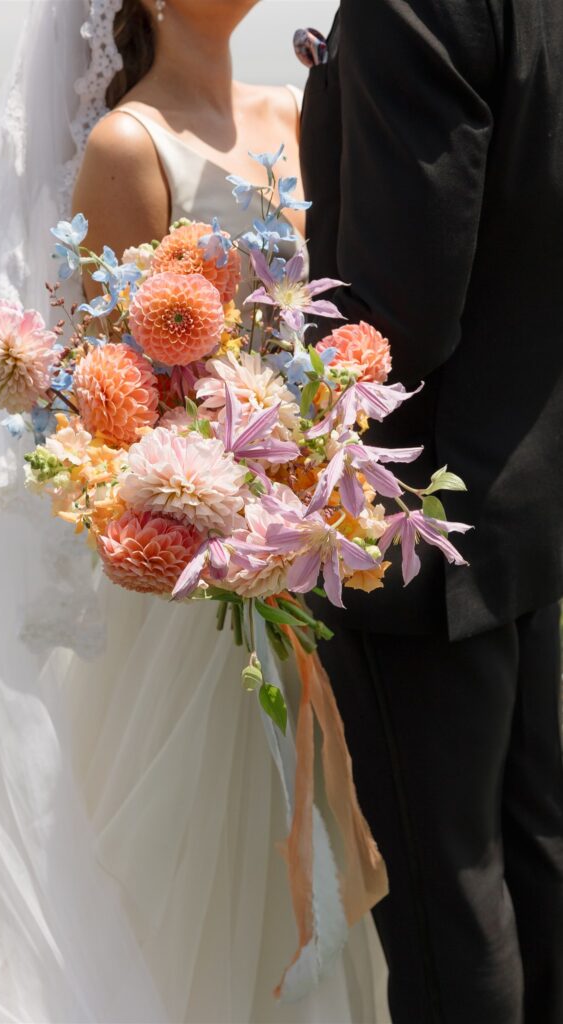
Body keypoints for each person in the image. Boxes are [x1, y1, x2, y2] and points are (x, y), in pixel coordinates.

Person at [0, 2, 387, 1021]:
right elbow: (102, 395)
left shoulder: (288, 109)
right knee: (200, 873)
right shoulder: (128, 144)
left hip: (303, 550)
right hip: (194, 592)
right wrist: (224, 490)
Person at [300, 2, 563, 1022]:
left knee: (442, 896)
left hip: (408, 521)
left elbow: (394, 317)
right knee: (532, 859)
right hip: (524, 491)